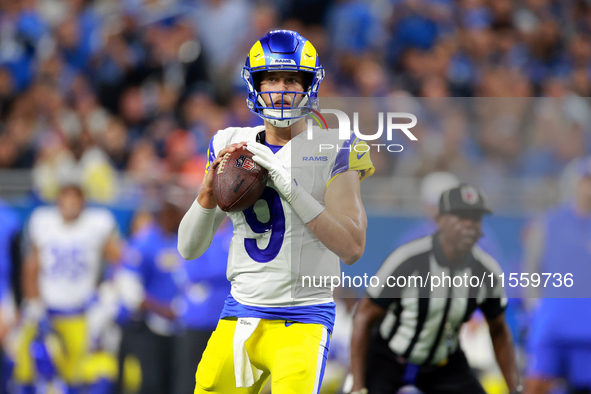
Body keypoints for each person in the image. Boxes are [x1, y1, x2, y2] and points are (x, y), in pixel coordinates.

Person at [177, 30, 375, 393]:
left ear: (308, 87)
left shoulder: (337, 146)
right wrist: (206, 197)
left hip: (302, 319)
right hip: (240, 313)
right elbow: (188, 249)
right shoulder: (229, 144)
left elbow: (352, 247)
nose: (281, 89)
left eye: (291, 80)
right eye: (271, 79)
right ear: (255, 85)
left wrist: (288, 185)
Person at [349, 184, 521, 394]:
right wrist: (357, 385)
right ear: (440, 220)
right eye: (460, 216)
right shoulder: (409, 259)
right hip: (389, 357)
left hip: (443, 362)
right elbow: (364, 316)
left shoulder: (486, 271)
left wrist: (515, 388)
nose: (469, 224)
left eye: (475, 218)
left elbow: (499, 329)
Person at [15, 183, 121, 394]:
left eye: (76, 200)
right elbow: (31, 266)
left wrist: (109, 292)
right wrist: (33, 302)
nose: (71, 205)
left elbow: (120, 260)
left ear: (84, 203)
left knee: (80, 377)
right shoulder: (43, 222)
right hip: (47, 312)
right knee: (27, 369)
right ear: (58, 201)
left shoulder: (96, 223)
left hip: (81, 314)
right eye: (67, 199)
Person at [523, 155, 591, 394]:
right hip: (554, 324)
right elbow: (532, 269)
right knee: (538, 385)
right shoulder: (549, 222)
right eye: (586, 180)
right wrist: (534, 306)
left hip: (587, 329)